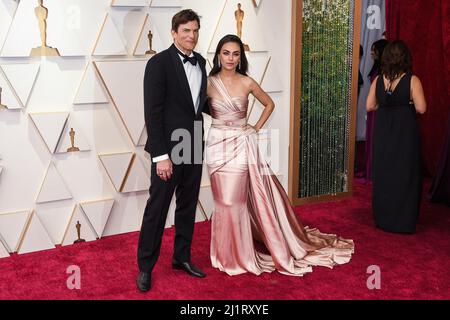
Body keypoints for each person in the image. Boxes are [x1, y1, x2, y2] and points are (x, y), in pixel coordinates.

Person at [206, 35, 354, 276]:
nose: (231, 58)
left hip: (241, 145)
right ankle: (222, 254)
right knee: (222, 201)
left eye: (235, 54)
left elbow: (269, 104)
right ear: (218, 55)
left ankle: (240, 256)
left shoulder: (247, 82)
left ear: (240, 57)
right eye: (226, 53)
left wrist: (255, 127)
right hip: (216, 145)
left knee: (236, 201)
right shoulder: (209, 82)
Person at [136, 9, 209, 292]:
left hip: (192, 142)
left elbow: (197, 105)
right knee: (157, 208)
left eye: (195, 31)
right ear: (174, 32)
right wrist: (160, 155)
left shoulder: (201, 62)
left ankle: (182, 258)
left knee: (188, 205)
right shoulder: (158, 63)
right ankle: (145, 267)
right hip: (169, 147)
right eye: (186, 31)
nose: (191, 36)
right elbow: (152, 112)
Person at [366, 40, 426, 233]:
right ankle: (402, 220)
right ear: (405, 58)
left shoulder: (378, 79)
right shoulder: (412, 80)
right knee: (405, 173)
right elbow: (421, 108)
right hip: (405, 133)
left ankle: (383, 218)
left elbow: (369, 106)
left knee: (384, 172)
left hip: (383, 132)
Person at [365, 39, 389, 181]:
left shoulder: (385, 71)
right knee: (371, 138)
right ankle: (370, 170)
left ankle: (375, 171)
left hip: (379, 110)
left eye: (375, 50)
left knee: (377, 140)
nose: (372, 52)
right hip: (372, 109)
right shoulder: (376, 68)